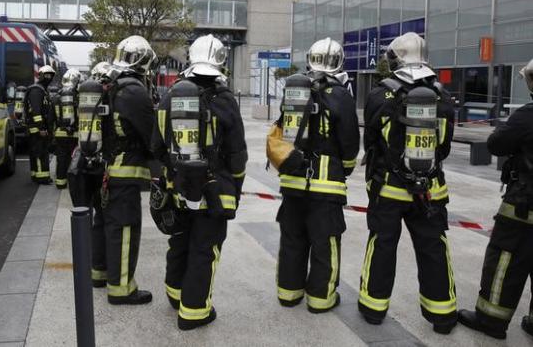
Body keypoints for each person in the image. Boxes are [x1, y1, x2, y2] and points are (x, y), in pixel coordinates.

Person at [359, 32, 457, 333]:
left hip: (388, 188)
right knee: (434, 249)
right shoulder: (442, 95)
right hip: (430, 191)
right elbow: (444, 147)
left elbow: (371, 141)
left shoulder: (380, 94)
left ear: (395, 57)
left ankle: (373, 310)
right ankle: (442, 316)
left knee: (382, 246)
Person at [152, 34, 248, 330]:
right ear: (220, 63)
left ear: (191, 59)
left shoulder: (170, 97)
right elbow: (237, 155)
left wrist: (174, 175)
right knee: (205, 249)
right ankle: (194, 312)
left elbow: (156, 146)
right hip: (213, 191)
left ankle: (175, 294)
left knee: (180, 241)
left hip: (178, 189)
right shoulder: (225, 101)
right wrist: (236, 190)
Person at [266, 38, 359, 313]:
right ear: (339, 62)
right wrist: (346, 168)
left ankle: (289, 293)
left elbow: (284, 128)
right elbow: (350, 142)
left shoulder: (296, 89)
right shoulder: (341, 94)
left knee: (292, 239)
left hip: (292, 180)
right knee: (324, 242)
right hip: (326, 185)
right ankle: (321, 299)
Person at [458, 58, 533, 340]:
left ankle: (491, 319)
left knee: (505, 260)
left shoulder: (526, 116)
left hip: (524, 207)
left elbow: (496, 144)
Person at [100, 36, 157, 305]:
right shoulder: (134, 91)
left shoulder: (112, 85)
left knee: (110, 226)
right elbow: (152, 136)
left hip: (112, 166)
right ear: (143, 61)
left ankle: (102, 275)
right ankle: (121, 289)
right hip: (127, 171)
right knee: (124, 230)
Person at [68, 61, 111, 287]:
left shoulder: (83, 98)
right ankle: (100, 268)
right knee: (102, 218)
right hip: (101, 165)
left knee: (89, 218)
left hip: (83, 163)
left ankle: (92, 268)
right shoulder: (107, 99)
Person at [24, 65, 56, 184]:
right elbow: (36, 111)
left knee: (39, 152)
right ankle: (41, 177)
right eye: (46, 75)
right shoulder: (36, 90)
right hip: (36, 129)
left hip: (38, 127)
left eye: (50, 76)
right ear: (41, 75)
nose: (49, 78)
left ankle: (36, 175)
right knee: (39, 153)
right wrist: (41, 127)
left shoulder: (42, 89)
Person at [54, 68, 82, 190]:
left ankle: (61, 183)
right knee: (74, 159)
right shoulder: (78, 97)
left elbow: (51, 118)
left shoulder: (55, 97)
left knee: (61, 159)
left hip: (60, 133)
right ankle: (74, 183)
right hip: (74, 134)